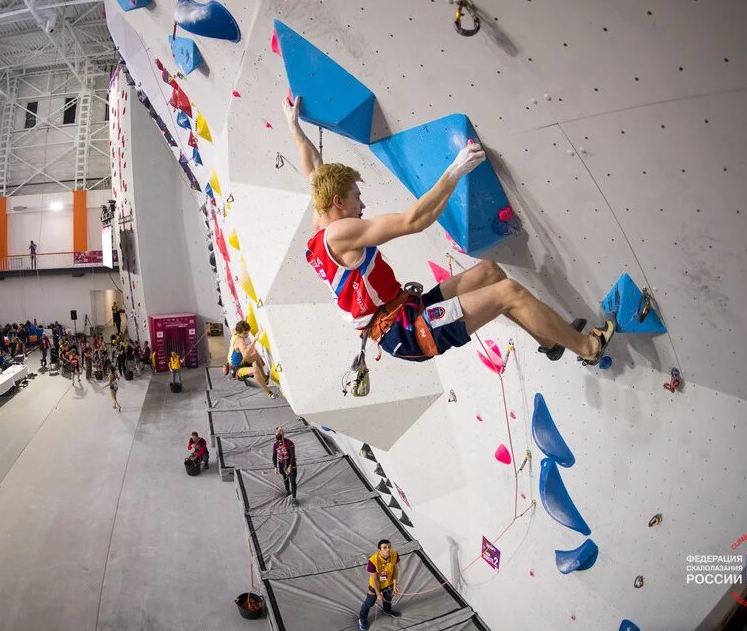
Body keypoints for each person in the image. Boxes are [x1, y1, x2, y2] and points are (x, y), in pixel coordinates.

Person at [283, 95, 614, 366]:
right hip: (407, 331)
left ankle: (550, 340)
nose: (361, 204)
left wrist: (294, 126)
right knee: (508, 293)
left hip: (405, 310)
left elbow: (314, 168)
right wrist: (456, 169)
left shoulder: (320, 221)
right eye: (356, 197)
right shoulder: (340, 234)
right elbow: (413, 221)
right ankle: (588, 348)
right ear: (338, 202)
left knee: (490, 273)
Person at [358, 539, 402, 629]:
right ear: (380, 549)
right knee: (369, 603)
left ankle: (387, 610)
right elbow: (374, 579)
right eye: (384, 547)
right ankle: (362, 619)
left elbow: (395, 569)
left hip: (388, 583)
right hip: (375, 585)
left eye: (389, 547)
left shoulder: (394, 554)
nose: (388, 549)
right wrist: (378, 593)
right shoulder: (373, 561)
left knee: (388, 598)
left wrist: (394, 585)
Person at [226, 321, 277, 398]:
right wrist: (254, 340)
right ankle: (269, 393)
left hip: (239, 362)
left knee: (256, 355)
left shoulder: (235, 333)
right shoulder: (240, 341)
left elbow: (238, 326)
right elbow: (245, 355)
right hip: (237, 370)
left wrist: (245, 321)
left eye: (247, 333)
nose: (247, 335)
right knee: (255, 370)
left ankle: (265, 378)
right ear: (239, 332)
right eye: (245, 333)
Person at [272, 428, 297, 505]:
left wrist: (290, 466)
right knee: (285, 477)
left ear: (283, 435)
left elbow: (293, 455)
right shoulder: (275, 445)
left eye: (280, 438)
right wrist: (275, 467)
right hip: (281, 464)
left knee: (292, 481)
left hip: (290, 464)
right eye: (278, 438)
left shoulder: (289, 443)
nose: (279, 440)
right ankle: (287, 490)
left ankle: (294, 498)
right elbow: (274, 456)